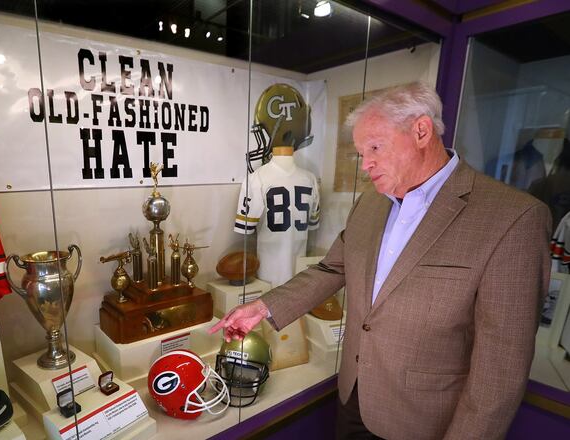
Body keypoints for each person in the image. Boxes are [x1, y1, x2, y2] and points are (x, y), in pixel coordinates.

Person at [209, 82, 551, 440]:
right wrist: (263, 308)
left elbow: (500, 370)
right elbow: (333, 268)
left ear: (421, 131)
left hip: (424, 421)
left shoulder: (512, 218)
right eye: (360, 152)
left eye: (374, 147)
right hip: (353, 397)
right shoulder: (372, 203)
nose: (365, 164)